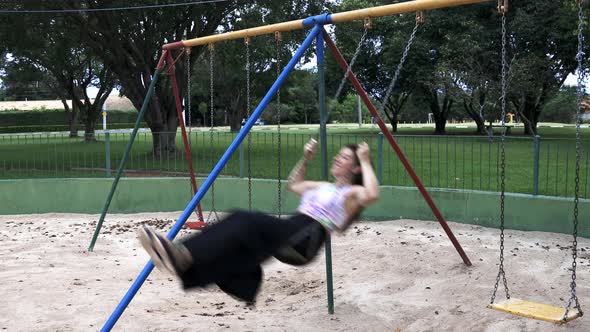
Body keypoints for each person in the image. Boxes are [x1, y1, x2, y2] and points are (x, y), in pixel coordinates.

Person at [138, 138, 379, 304]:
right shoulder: (324, 186)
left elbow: (372, 194)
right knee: (237, 228)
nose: (338, 158)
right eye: (339, 155)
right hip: (295, 228)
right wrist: (306, 159)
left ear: (356, 168)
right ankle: (185, 260)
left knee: (246, 221)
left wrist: (366, 160)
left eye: (346, 157)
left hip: (307, 237)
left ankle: (183, 254)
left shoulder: (350, 195)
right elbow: (294, 185)